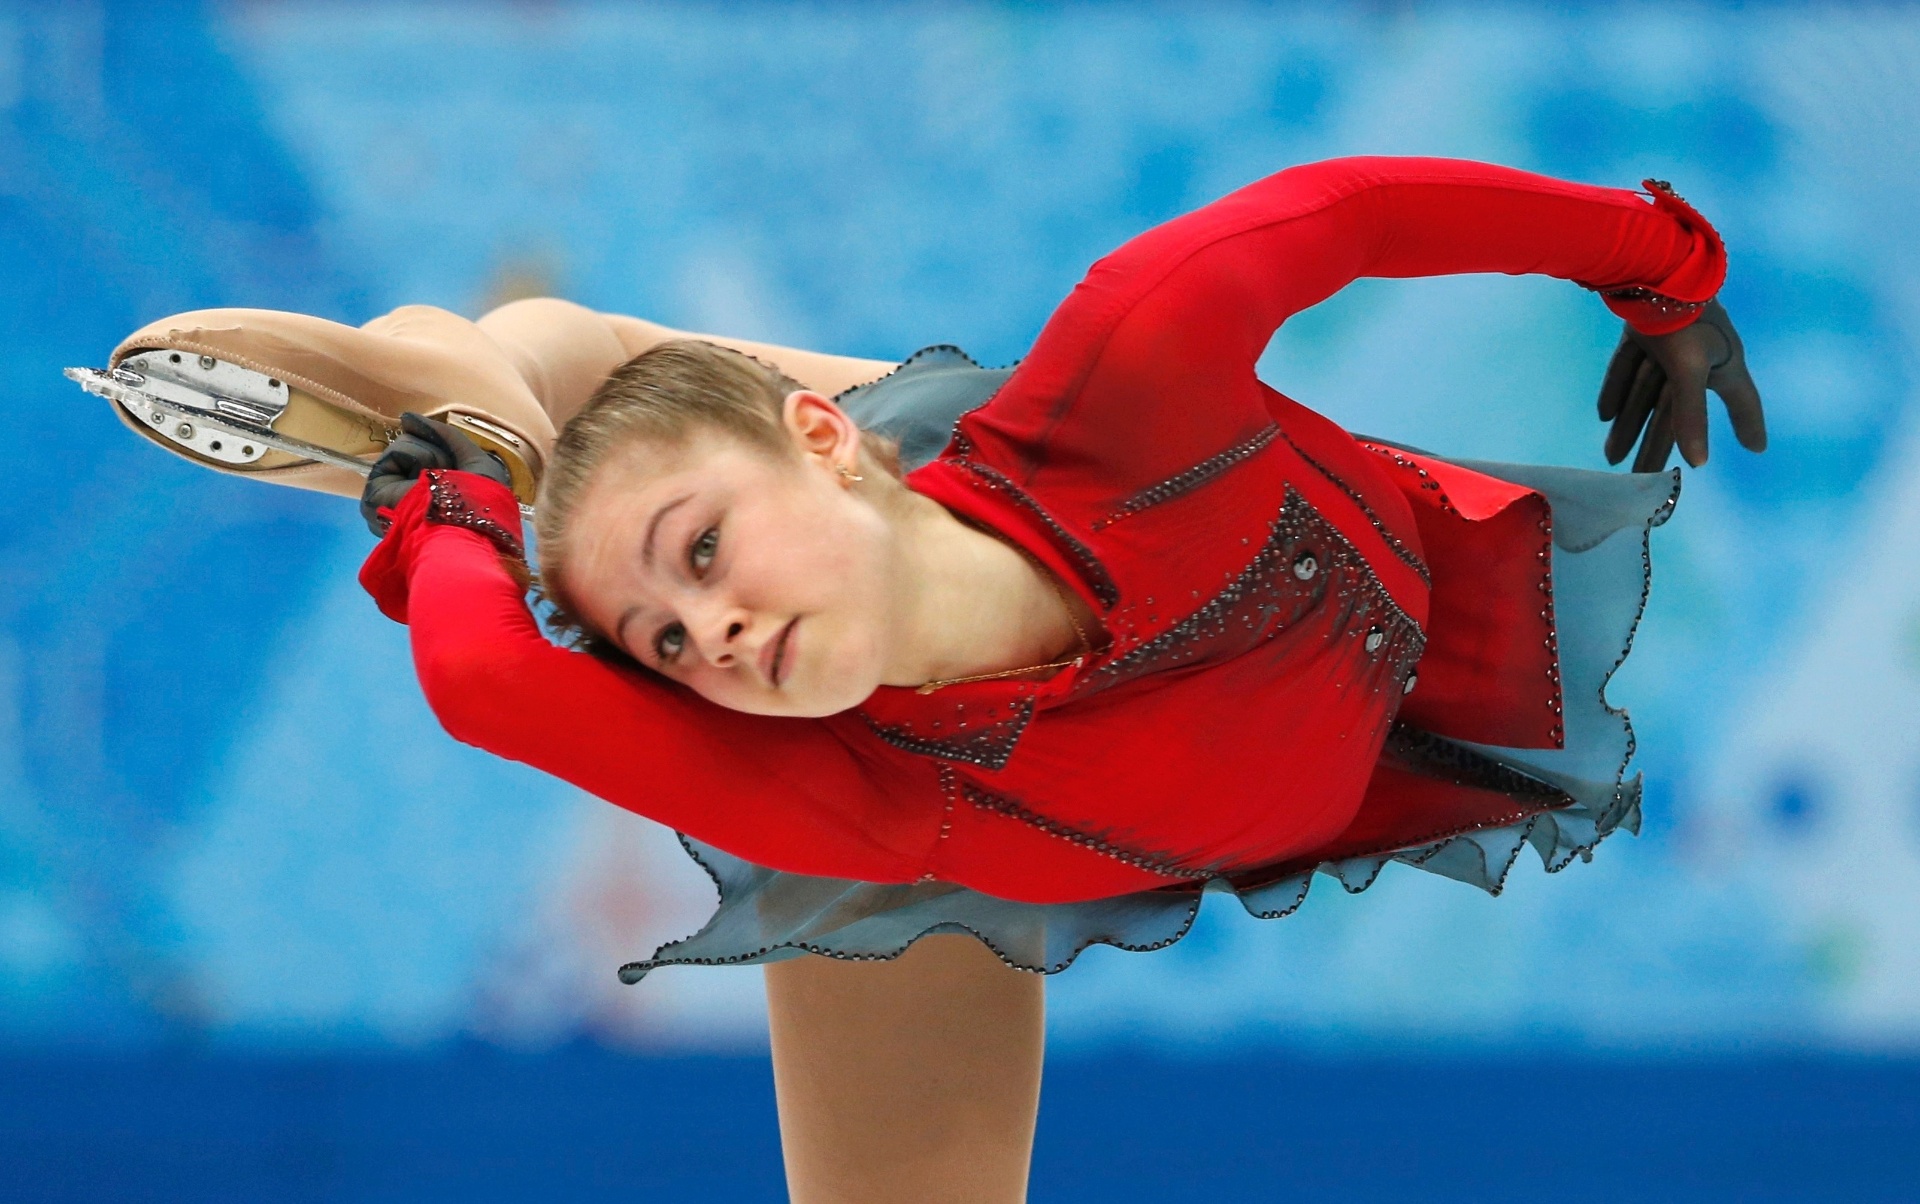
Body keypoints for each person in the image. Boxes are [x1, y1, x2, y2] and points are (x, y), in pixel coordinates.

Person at [101, 155, 1764, 1203]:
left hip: (966, 479)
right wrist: (445, 516)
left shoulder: (1134, 374)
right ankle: (481, 401)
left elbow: (1355, 213)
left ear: (809, 452)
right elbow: (483, 681)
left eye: (702, 577)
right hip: (927, 785)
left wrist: (1663, 265)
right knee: (638, 529)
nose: (716, 635)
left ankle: (511, 368)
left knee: (748, 431)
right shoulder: (829, 795)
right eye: (672, 644)